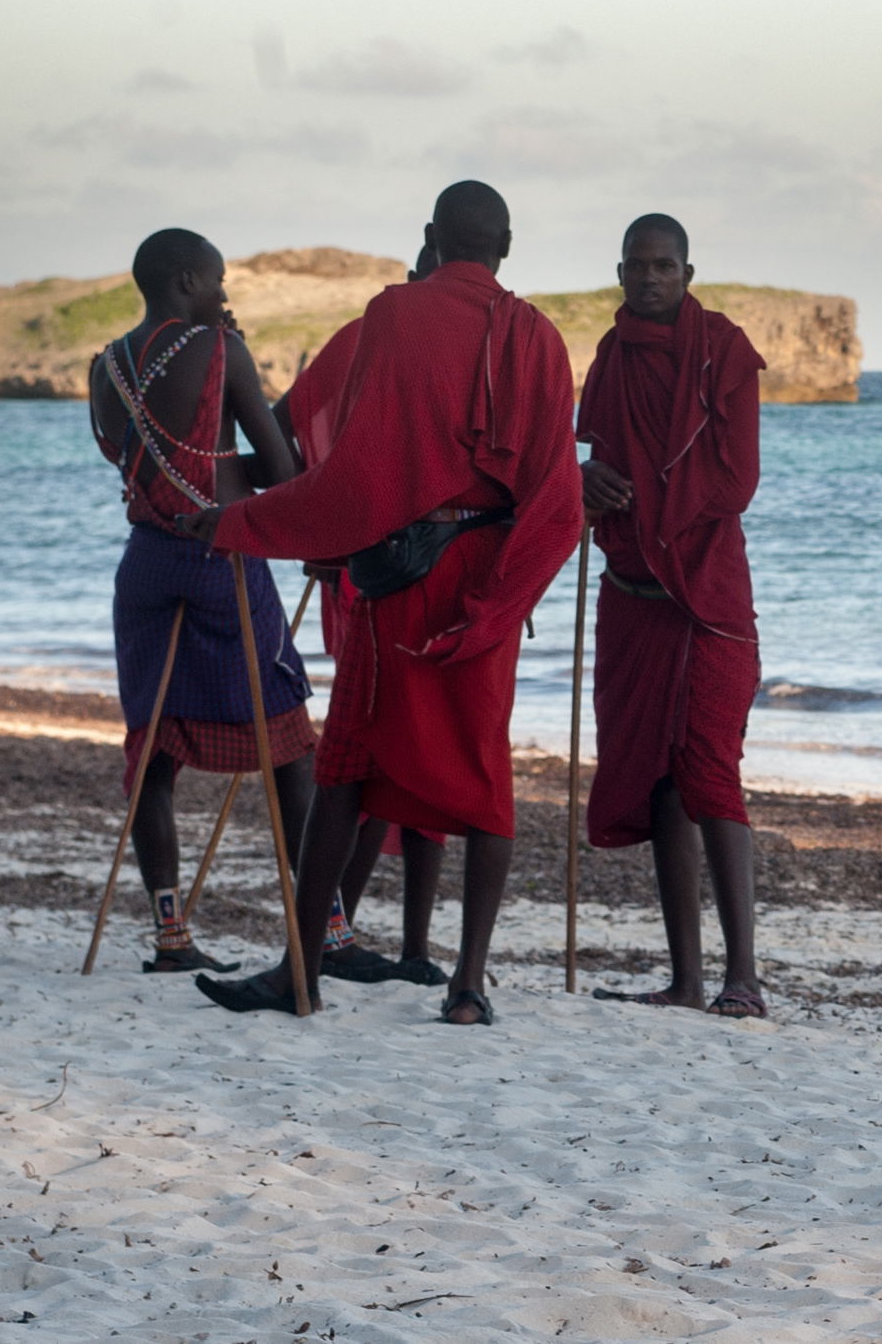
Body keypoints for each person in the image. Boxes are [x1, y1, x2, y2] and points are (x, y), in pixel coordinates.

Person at [184, 182, 581, 1023]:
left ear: (433, 238)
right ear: (506, 246)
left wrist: (238, 521)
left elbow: (357, 473)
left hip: (400, 576)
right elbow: (558, 497)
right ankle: (468, 985)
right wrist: (508, 595)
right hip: (482, 579)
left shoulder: (395, 315)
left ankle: (303, 973)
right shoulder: (541, 337)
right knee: (483, 768)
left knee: (348, 769)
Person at [87, 228, 316, 972]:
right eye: (217, 280)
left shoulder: (105, 368)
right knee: (286, 738)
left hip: (147, 564)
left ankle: (170, 935)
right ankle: (327, 928)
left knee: (152, 746)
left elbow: (138, 465)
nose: (225, 294)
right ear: (187, 280)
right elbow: (278, 473)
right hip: (221, 557)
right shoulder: (222, 350)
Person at [581, 213, 769, 1017]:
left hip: (706, 595)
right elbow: (589, 460)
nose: (649, 278)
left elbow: (738, 482)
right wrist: (584, 481)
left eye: (664, 266)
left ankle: (744, 978)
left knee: (710, 774)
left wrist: (655, 511)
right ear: (620, 272)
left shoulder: (724, 351)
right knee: (659, 782)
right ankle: (687, 981)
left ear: (689, 272)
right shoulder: (612, 355)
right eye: (636, 266)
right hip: (633, 597)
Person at [274, 245, 450, 990]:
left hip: (443, 574)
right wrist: (325, 518)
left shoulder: (472, 344)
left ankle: (413, 944)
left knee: (430, 753)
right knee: (376, 750)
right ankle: (336, 927)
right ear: (413, 278)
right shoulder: (366, 335)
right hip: (370, 577)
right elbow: (287, 420)